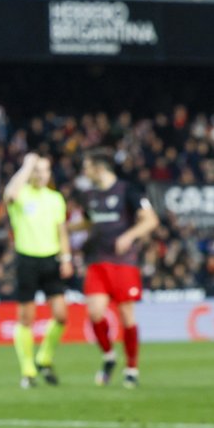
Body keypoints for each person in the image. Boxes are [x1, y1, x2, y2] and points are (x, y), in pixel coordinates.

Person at [79, 148, 159, 388]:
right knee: (94, 313)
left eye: (87, 166)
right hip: (97, 261)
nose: (84, 171)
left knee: (126, 316)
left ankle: (131, 367)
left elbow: (151, 220)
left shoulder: (128, 190)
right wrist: (65, 229)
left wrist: (129, 236)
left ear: (99, 168)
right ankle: (108, 356)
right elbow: (87, 222)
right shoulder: (89, 195)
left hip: (123, 263)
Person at [3, 154, 72, 388]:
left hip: (51, 260)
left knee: (61, 315)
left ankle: (44, 357)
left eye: (45, 170)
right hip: (27, 260)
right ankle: (28, 371)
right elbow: (10, 194)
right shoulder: (21, 195)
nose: (41, 175)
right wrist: (26, 165)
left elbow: (61, 231)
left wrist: (66, 258)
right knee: (26, 318)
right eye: (37, 170)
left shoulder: (55, 199)